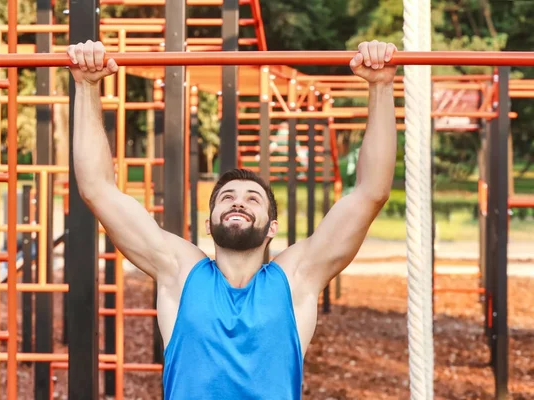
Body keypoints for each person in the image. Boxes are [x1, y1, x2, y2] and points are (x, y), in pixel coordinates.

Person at [67, 39, 398, 399]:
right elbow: (97, 189)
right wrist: (86, 85)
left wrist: (380, 87)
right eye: (227, 197)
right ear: (209, 223)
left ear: (273, 227)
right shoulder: (179, 272)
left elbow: (371, 193)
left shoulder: (297, 278)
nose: (238, 203)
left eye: (252, 199)